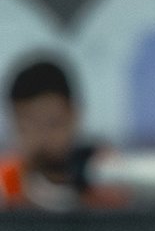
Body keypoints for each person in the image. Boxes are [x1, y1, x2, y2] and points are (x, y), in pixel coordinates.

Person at [1, 58, 126, 210]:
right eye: (28, 126)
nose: (42, 137)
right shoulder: (6, 185)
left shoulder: (104, 178)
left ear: (74, 115)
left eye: (52, 123)